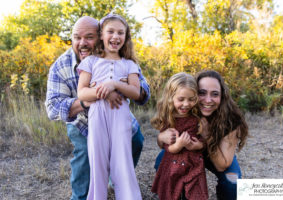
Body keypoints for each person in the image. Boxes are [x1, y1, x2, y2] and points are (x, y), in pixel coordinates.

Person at [45, 16, 150, 200]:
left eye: (89, 37)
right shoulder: (61, 66)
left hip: (117, 115)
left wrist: (118, 85)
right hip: (81, 120)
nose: (82, 43)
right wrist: (99, 94)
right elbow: (53, 108)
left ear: (99, 36)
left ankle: (117, 181)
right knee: (85, 152)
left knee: (136, 140)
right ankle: (80, 196)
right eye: (77, 37)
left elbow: (143, 92)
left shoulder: (124, 60)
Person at [77, 14, 142, 200]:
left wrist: (115, 84)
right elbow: (82, 93)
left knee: (122, 160)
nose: (116, 36)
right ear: (102, 35)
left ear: (126, 37)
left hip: (120, 116)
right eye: (111, 31)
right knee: (97, 161)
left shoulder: (129, 64)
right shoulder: (91, 62)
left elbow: (135, 93)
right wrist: (105, 90)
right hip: (97, 117)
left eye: (121, 33)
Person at [156, 70, 248, 200]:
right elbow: (163, 143)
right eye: (202, 93)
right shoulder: (186, 106)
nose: (208, 100)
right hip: (186, 150)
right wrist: (161, 137)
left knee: (232, 181)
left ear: (222, 96)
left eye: (215, 94)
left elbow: (222, 165)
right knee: (161, 161)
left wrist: (206, 136)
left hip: (216, 152)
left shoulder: (231, 119)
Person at [151, 72, 209, 200]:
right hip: (174, 163)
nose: (186, 104)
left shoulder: (197, 117)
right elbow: (168, 148)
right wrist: (179, 145)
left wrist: (197, 145)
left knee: (194, 193)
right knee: (173, 193)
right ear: (171, 97)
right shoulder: (169, 119)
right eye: (181, 99)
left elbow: (203, 142)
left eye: (191, 99)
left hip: (193, 163)